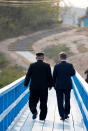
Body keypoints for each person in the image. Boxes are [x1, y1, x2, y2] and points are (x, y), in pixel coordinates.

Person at [24, 52, 53, 120]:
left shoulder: (32, 65)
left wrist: (25, 84)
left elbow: (28, 76)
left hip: (34, 87)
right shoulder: (47, 66)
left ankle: (34, 111)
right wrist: (50, 85)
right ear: (43, 58)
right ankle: (42, 117)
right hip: (44, 88)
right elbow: (49, 76)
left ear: (36, 58)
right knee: (43, 102)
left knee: (32, 101)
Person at [53, 52, 75, 120]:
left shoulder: (56, 66)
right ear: (66, 57)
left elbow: (54, 77)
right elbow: (73, 73)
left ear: (60, 58)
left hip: (59, 86)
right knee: (67, 100)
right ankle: (66, 113)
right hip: (67, 85)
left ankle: (62, 115)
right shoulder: (70, 65)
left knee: (60, 100)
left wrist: (53, 85)